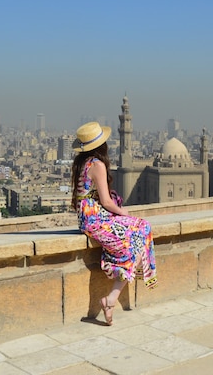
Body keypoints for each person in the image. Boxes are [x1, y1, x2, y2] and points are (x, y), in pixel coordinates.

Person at [71, 122, 157, 325]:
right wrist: (122, 212)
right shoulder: (98, 165)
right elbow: (107, 201)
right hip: (97, 220)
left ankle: (110, 299)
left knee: (140, 232)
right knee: (141, 231)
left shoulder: (82, 164)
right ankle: (112, 293)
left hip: (87, 219)